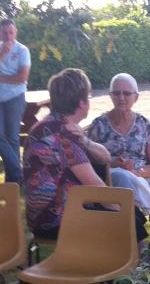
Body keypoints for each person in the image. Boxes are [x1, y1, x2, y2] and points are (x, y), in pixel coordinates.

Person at [23, 68, 117, 238]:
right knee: (132, 220)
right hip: (58, 221)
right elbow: (96, 186)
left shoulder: (45, 125)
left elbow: (105, 157)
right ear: (82, 103)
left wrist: (85, 141)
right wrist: (123, 208)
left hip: (37, 219)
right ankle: (132, 263)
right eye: (88, 97)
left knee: (126, 213)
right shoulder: (65, 134)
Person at [86, 73, 150, 214]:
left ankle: (130, 217)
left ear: (136, 97)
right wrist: (114, 165)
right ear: (110, 95)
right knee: (120, 175)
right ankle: (136, 216)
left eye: (126, 93)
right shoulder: (98, 125)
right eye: (116, 93)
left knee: (124, 177)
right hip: (107, 182)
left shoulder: (145, 124)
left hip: (139, 180)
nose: (121, 98)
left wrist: (136, 172)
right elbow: (88, 163)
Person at [0, 18, 31, 185]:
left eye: (11, 32)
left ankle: (13, 180)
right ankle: (18, 171)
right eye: (5, 32)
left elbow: (22, 77)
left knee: (12, 137)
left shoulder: (22, 50)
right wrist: (2, 54)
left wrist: (0, 76)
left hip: (16, 97)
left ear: (15, 32)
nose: (8, 36)